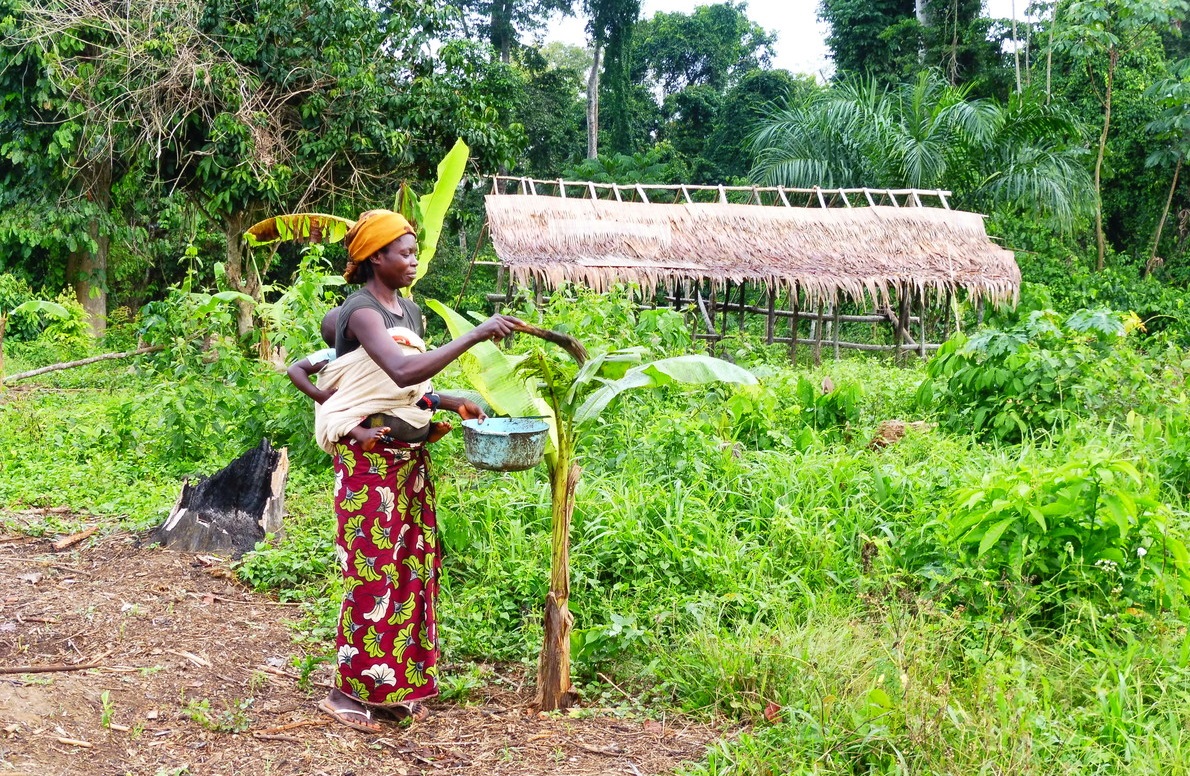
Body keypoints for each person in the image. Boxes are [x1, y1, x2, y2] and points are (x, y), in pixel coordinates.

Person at [314, 209, 520, 732]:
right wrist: (474, 335)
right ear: (375, 257)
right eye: (404, 253)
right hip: (366, 463)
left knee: (409, 568)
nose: (413, 262)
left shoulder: (408, 312)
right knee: (371, 570)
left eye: (413, 252)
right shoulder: (361, 312)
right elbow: (400, 368)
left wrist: (450, 402)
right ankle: (347, 692)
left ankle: (393, 687)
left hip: (408, 462)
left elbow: (408, 389)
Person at [287, 308, 451, 450]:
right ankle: (361, 435)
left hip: (379, 401)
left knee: (421, 398)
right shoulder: (332, 356)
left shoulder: (373, 351)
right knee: (339, 417)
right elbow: (295, 369)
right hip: (351, 405)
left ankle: (428, 430)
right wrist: (319, 395)